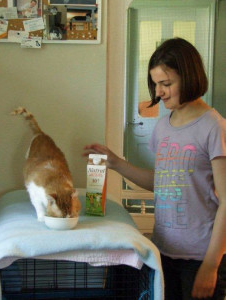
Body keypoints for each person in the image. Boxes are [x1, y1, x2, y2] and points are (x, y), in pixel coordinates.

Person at [83, 38, 226, 300]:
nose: (158, 92)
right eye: (155, 84)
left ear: (189, 77)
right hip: (162, 251)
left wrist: (211, 265)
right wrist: (115, 162)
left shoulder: (214, 127)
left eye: (166, 84)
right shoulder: (163, 126)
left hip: (200, 258)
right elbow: (162, 182)